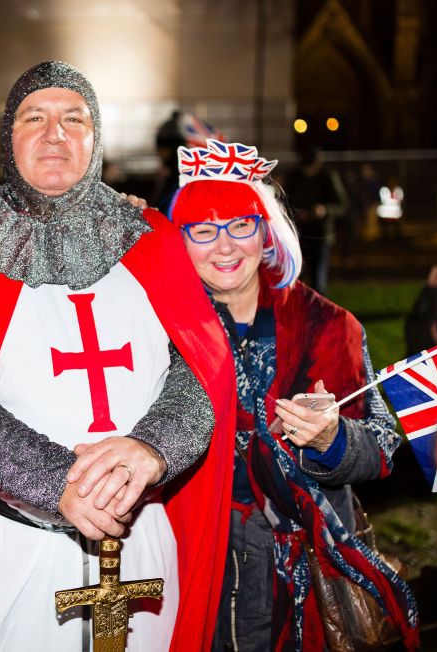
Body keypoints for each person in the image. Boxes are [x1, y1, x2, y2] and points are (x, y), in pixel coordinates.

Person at [0, 61, 236, 651]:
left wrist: (152, 448)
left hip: (141, 540)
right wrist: (54, 481)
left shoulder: (153, 239)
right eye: (35, 118)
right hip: (13, 546)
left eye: (73, 119)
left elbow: (202, 368)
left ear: (96, 136)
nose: (55, 134)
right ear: (9, 137)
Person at [168, 139, 419, 650]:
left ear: (265, 232)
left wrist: (331, 437)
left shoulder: (328, 326)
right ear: (181, 240)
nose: (224, 246)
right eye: (203, 229)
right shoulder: (159, 326)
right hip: (195, 549)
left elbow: (383, 446)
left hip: (300, 559)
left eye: (241, 225)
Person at [283, 145, 347, 295]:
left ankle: (318, 314)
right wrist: (295, 212)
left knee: (318, 279)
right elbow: (284, 201)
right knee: (295, 278)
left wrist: (324, 210)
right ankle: (295, 313)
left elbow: (342, 204)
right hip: (299, 233)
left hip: (321, 234)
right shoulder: (295, 177)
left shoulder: (328, 176)